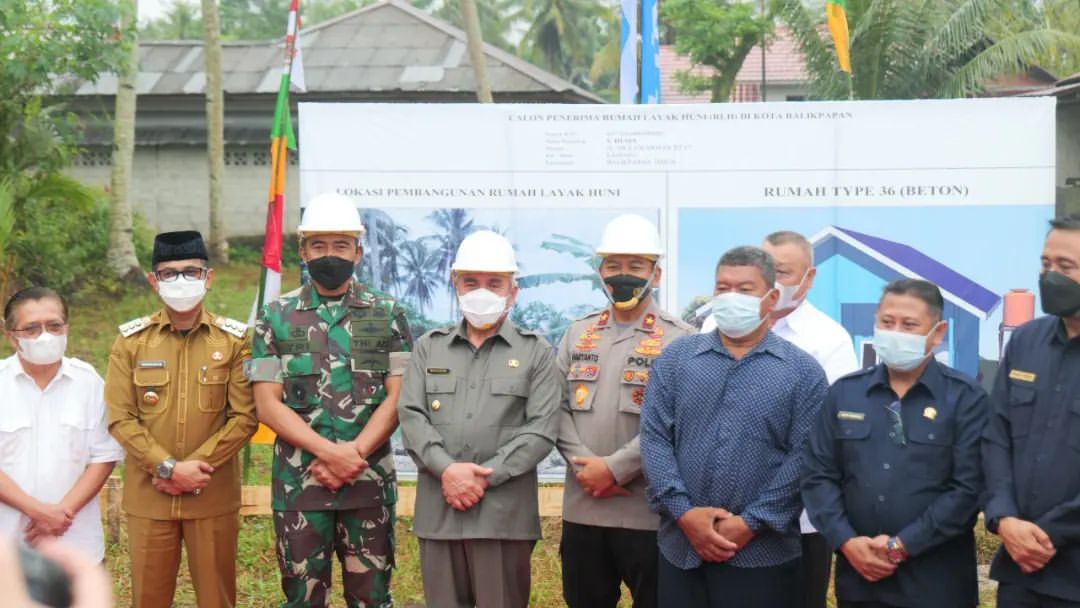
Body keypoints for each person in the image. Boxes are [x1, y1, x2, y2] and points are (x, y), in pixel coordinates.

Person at [248, 192, 412, 608]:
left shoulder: (386, 312)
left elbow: (399, 394)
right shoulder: (275, 316)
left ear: (358, 251)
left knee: (372, 600)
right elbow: (267, 404)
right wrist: (330, 453)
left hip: (368, 485)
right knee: (302, 601)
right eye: (318, 245)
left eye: (341, 245)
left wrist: (353, 453)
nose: (329, 254)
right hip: (300, 487)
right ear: (302, 250)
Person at [641, 245, 828, 608]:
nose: (731, 298)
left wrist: (751, 523)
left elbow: (806, 456)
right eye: (722, 288)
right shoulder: (677, 360)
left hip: (764, 555)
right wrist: (685, 514)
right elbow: (655, 438)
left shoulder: (802, 372)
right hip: (681, 549)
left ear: (772, 297)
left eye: (745, 290)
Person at [802, 279, 988, 608]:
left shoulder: (966, 398)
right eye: (887, 323)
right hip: (859, 580)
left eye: (909, 325)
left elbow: (967, 489)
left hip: (937, 583)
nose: (896, 332)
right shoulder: (846, 392)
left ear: (938, 332)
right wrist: (846, 542)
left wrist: (901, 546)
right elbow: (819, 475)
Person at [398, 230, 560, 608]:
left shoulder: (535, 352)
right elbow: (411, 415)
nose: (481, 291)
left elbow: (540, 430)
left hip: (503, 517)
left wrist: (482, 477)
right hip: (440, 512)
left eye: (494, 282)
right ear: (456, 285)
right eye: (471, 282)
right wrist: (448, 471)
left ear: (512, 291)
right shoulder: (429, 347)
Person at [105, 230, 258, 608]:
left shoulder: (235, 341)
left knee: (216, 598)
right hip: (150, 498)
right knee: (148, 598)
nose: (181, 281)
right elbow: (121, 418)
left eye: (191, 271)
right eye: (170, 273)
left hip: (211, 496)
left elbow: (245, 416)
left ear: (209, 278)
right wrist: (169, 468)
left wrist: (193, 469)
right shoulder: (131, 342)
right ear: (154, 281)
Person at [556, 214, 692, 608]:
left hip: (647, 515)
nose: (623, 275)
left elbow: (675, 421)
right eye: (613, 265)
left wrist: (614, 469)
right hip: (583, 509)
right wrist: (586, 467)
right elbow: (555, 408)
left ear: (657, 274)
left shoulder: (680, 339)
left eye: (636, 266)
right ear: (599, 272)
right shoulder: (576, 333)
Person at [983, 212, 1080, 607]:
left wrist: (1046, 533)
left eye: (1065, 266)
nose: (1049, 276)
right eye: (1045, 264)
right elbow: (995, 436)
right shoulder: (1026, 341)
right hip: (1022, 572)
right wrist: (1004, 518)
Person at [762, 230, 860, 608]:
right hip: (727, 516)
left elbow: (828, 435)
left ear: (810, 278)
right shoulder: (716, 328)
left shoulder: (828, 339)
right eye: (766, 270)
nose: (773, 282)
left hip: (798, 521)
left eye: (783, 273)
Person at [0, 287, 123, 561]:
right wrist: (39, 512)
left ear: (67, 327)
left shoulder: (88, 382)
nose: (45, 336)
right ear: (10, 335)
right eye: (31, 328)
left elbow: (104, 456)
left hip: (75, 542)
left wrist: (60, 515)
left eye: (54, 326)